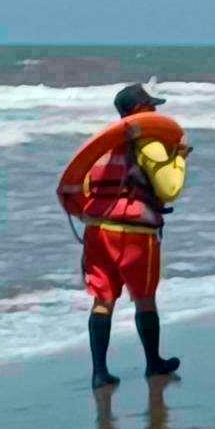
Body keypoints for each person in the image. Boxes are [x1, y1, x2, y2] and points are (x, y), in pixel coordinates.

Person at [83, 83, 190, 390]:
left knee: (103, 300)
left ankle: (99, 373)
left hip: (97, 231)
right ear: (141, 111)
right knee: (144, 299)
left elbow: (85, 189)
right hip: (134, 234)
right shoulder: (148, 144)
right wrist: (180, 157)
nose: (156, 111)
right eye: (151, 106)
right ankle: (153, 363)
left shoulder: (101, 149)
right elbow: (170, 190)